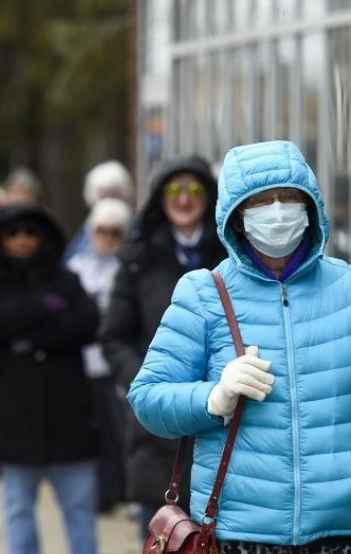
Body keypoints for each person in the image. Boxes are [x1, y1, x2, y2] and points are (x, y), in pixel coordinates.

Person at [127, 140, 351, 553]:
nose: (279, 210)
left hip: (345, 530)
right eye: (262, 200)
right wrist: (214, 397)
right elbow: (148, 399)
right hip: (239, 535)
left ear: (310, 206)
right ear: (237, 215)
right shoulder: (203, 294)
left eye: (289, 198)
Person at [99, 154, 227, 539]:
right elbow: (113, 335)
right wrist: (143, 381)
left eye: (194, 190)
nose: (184, 199)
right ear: (160, 198)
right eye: (174, 190)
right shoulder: (138, 260)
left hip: (223, 419)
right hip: (158, 431)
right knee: (164, 537)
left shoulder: (229, 256)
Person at [0, 203, 102, 554]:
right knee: (17, 508)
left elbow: (87, 325)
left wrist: (24, 337)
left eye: (30, 232)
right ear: (1, 240)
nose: (22, 241)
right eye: (13, 234)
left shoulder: (66, 280)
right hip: (14, 417)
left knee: (80, 507)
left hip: (68, 414)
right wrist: (40, 308)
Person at [66, 197, 133, 513]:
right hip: (83, 361)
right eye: (101, 230)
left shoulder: (127, 266)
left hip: (113, 364)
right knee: (94, 432)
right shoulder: (77, 266)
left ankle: (123, 489)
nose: (106, 237)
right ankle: (102, 493)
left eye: (113, 231)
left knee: (120, 430)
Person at [63, 160, 134, 262]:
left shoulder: (133, 223)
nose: (109, 200)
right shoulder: (89, 225)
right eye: (104, 195)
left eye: (113, 194)